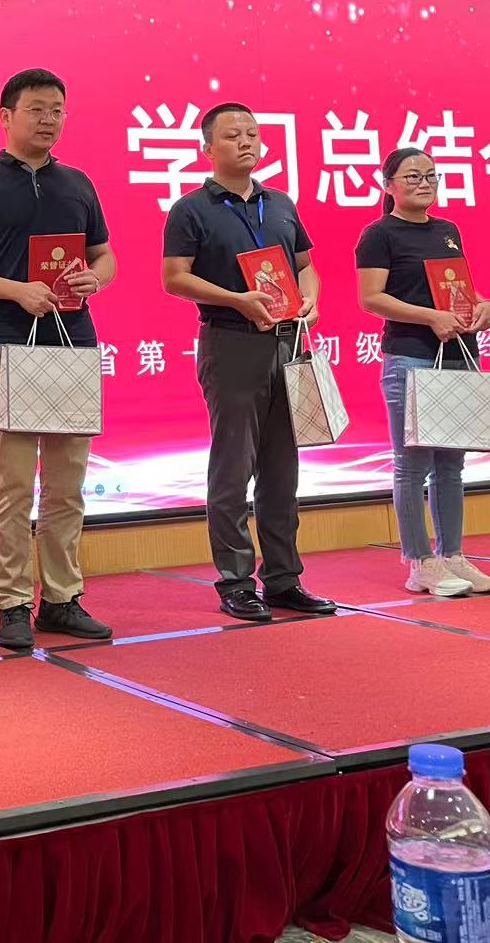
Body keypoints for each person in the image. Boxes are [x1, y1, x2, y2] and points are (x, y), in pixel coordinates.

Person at [0, 68, 116, 651]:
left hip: (73, 344)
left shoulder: (78, 183)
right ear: (6, 116)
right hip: (5, 345)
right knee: (13, 486)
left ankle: (62, 598)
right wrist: (16, 291)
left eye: (57, 110)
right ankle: (13, 603)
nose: (49, 119)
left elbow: (105, 256)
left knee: (67, 486)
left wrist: (95, 279)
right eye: (37, 109)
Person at [161, 103, 335, 622]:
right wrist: (237, 300)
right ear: (207, 148)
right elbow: (174, 277)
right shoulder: (191, 209)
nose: (246, 142)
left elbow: (306, 267)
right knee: (233, 468)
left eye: (253, 134)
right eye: (233, 135)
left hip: (287, 342)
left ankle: (283, 579)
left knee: (283, 469)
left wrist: (310, 300)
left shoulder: (279, 203)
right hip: (231, 342)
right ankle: (236, 582)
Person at [356, 147, 490, 597]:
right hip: (411, 356)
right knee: (412, 466)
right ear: (389, 185)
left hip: (459, 354)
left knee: (451, 466)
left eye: (431, 175)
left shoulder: (447, 231)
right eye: (413, 176)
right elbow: (371, 298)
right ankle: (420, 562)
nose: (425, 183)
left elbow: (457, 290)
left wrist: (485, 306)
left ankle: (453, 556)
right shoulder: (379, 234)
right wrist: (430, 318)